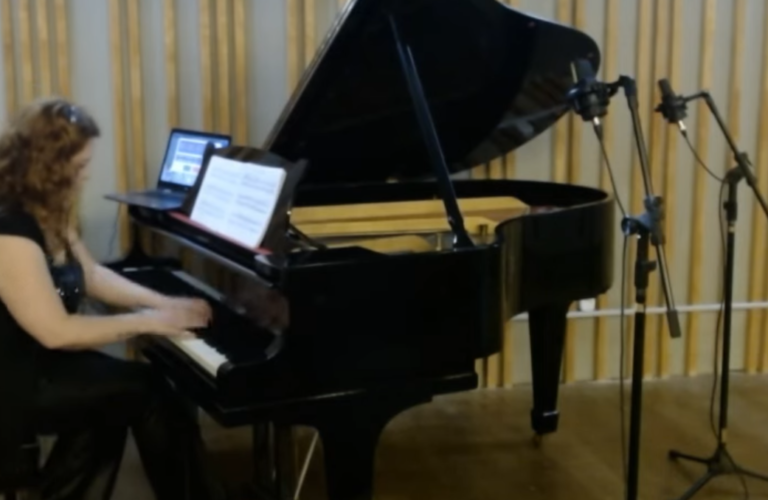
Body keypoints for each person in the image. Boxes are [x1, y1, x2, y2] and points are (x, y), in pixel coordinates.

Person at [0, 97, 231, 499]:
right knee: (147, 392)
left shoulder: (44, 207)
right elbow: (57, 332)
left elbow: (91, 275)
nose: (86, 175)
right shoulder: (10, 230)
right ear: (47, 166)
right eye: (80, 166)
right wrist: (149, 322)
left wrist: (161, 303)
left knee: (117, 399)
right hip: (14, 380)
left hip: (36, 360)